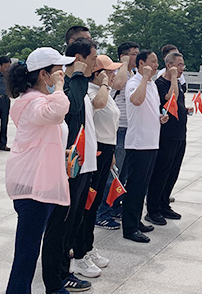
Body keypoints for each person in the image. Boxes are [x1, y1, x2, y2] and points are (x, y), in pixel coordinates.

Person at [4, 47, 74, 294]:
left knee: (29, 250)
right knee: (27, 253)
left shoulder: (37, 100)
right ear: (44, 74)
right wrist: (59, 87)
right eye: (58, 71)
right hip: (32, 186)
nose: (62, 74)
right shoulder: (33, 102)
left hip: (41, 182)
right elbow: (56, 112)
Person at [42, 38, 97, 294]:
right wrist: (76, 76)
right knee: (60, 225)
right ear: (79, 58)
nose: (95, 64)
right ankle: (57, 277)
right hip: (67, 164)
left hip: (81, 162)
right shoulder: (65, 85)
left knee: (73, 221)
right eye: (92, 59)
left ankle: (64, 270)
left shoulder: (78, 83)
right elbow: (71, 108)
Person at [70, 54, 121, 279]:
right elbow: (98, 105)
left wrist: (112, 154)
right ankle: (79, 252)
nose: (113, 74)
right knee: (87, 205)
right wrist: (104, 83)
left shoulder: (103, 90)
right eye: (109, 71)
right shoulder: (92, 91)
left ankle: (88, 247)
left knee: (94, 201)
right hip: (95, 150)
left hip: (106, 150)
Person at [122, 50, 167, 243]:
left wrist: (160, 117)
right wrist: (145, 78)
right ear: (141, 63)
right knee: (134, 187)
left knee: (143, 186)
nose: (156, 65)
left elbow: (149, 108)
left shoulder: (151, 84)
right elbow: (136, 100)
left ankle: (136, 220)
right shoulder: (134, 82)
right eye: (153, 62)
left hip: (152, 141)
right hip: (138, 143)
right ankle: (129, 228)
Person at [96, 41, 138, 227]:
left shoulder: (133, 73)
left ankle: (114, 206)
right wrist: (124, 64)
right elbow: (119, 84)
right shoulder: (118, 73)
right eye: (133, 54)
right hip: (118, 128)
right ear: (124, 56)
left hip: (129, 128)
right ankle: (102, 212)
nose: (137, 56)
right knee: (113, 172)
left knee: (124, 173)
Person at [145, 52, 187, 226]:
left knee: (172, 172)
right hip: (166, 136)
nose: (182, 68)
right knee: (161, 172)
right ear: (169, 65)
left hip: (179, 134)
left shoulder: (177, 83)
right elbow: (172, 97)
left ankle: (164, 204)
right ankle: (153, 209)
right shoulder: (161, 84)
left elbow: (177, 103)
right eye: (179, 65)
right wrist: (174, 78)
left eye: (183, 65)